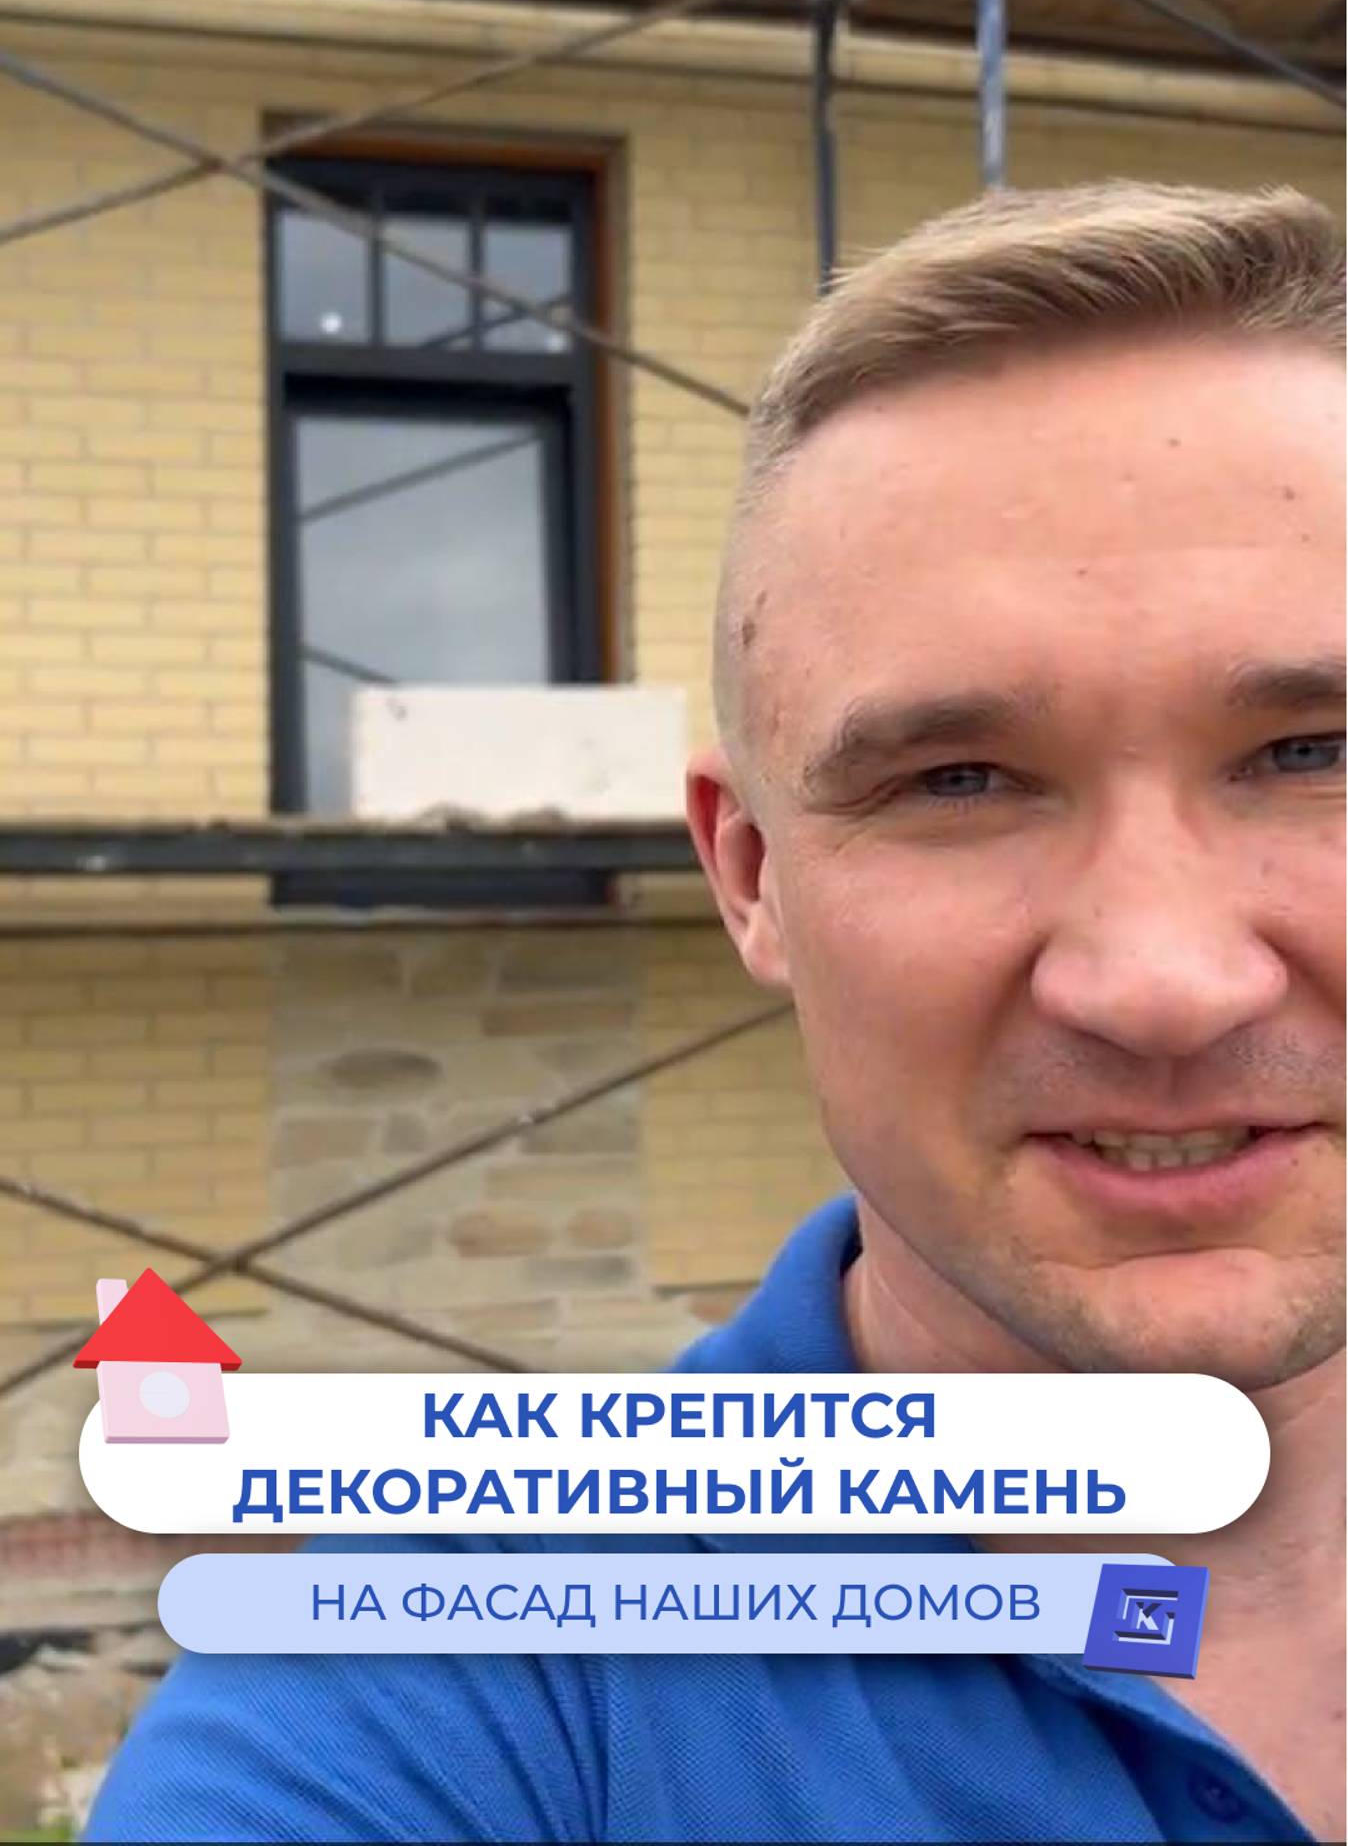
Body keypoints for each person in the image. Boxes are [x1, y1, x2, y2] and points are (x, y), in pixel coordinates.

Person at [86, 181, 1344, 1844]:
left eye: (1313, 755)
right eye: (957, 781)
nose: (1166, 981)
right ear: (749, 876)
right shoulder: (446, 1696)